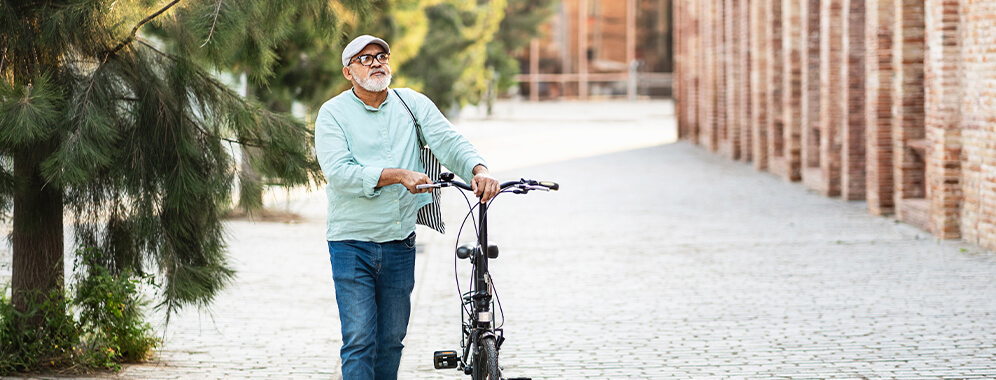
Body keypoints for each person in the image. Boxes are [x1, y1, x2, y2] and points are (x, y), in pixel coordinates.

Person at [314, 35, 499, 380]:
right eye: (364, 58)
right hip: (352, 244)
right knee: (358, 340)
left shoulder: (411, 103)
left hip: (400, 243)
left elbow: (448, 141)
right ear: (348, 72)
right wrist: (397, 175)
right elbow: (340, 174)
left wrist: (479, 169)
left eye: (381, 56)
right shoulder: (333, 114)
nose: (376, 62)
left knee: (392, 341)